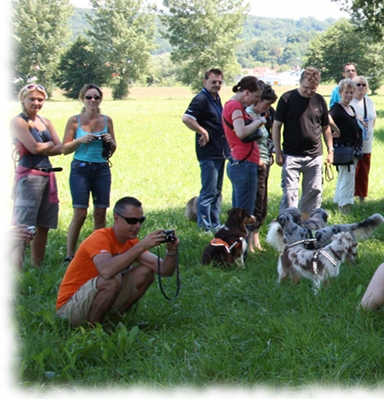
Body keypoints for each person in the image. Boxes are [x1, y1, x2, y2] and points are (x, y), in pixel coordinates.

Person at [55, 196, 180, 327]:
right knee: (112, 279)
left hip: (93, 300)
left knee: (147, 271)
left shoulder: (132, 242)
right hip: (68, 309)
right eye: (132, 221)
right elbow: (107, 271)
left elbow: (165, 270)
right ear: (116, 218)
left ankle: (112, 320)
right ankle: (93, 331)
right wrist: (142, 246)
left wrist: (171, 251)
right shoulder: (99, 238)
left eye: (140, 220)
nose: (137, 226)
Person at [60, 84, 117, 263]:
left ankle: (97, 254)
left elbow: (114, 148)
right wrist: (80, 140)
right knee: (80, 213)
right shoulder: (75, 121)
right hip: (81, 169)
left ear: (100, 99)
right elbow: (64, 149)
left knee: (100, 213)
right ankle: (70, 255)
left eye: (96, 97)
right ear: (83, 99)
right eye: (89, 97)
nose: (93, 100)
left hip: (101, 169)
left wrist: (109, 142)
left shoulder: (107, 120)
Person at [272, 67, 334, 221]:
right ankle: (287, 225)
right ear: (300, 83)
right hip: (291, 154)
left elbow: (325, 127)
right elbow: (276, 126)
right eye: (306, 88)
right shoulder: (287, 99)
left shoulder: (319, 100)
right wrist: (278, 150)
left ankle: (307, 225)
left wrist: (330, 150)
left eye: (313, 88)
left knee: (313, 192)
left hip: (314, 155)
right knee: (290, 194)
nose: (309, 92)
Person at [11, 83, 62, 267]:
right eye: (32, 99)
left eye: (40, 99)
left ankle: (37, 266)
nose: (36, 102)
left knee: (44, 225)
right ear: (22, 99)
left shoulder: (45, 121)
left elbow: (61, 147)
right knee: (24, 227)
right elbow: (34, 147)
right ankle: (16, 268)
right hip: (29, 178)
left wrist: (45, 148)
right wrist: (48, 146)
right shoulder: (18, 121)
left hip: (47, 177)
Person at [182, 68, 230, 232]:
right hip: (208, 152)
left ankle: (215, 223)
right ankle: (204, 225)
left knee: (217, 191)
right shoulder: (201, 99)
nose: (217, 85)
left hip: (220, 151)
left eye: (219, 82)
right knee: (209, 191)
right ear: (205, 82)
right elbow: (186, 118)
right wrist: (202, 131)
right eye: (213, 82)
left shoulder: (216, 98)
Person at [223, 76, 265, 216]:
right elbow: (241, 132)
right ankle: (241, 238)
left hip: (241, 162)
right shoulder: (235, 106)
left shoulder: (232, 105)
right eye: (256, 96)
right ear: (247, 92)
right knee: (244, 215)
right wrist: (258, 121)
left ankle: (238, 237)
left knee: (239, 213)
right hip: (244, 164)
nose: (256, 101)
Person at [245, 83, 278, 251]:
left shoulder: (261, 116)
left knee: (263, 202)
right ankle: (250, 241)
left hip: (265, 162)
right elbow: (249, 140)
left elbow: (266, 140)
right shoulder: (249, 116)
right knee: (257, 202)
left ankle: (256, 239)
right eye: (267, 103)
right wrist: (259, 160)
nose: (268, 108)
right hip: (257, 164)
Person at [329, 78, 363, 214]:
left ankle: (339, 202)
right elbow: (326, 118)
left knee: (346, 176)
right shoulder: (337, 108)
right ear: (340, 92)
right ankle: (344, 207)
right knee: (347, 177)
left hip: (353, 149)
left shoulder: (351, 108)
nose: (348, 95)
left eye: (351, 92)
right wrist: (336, 130)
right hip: (344, 149)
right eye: (346, 92)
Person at [352, 75, 377, 203]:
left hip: (366, 142)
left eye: (364, 84)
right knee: (352, 170)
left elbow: (374, 119)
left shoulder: (370, 101)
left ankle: (362, 198)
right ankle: (349, 197)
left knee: (364, 170)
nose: (361, 87)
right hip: (353, 143)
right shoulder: (349, 101)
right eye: (358, 84)